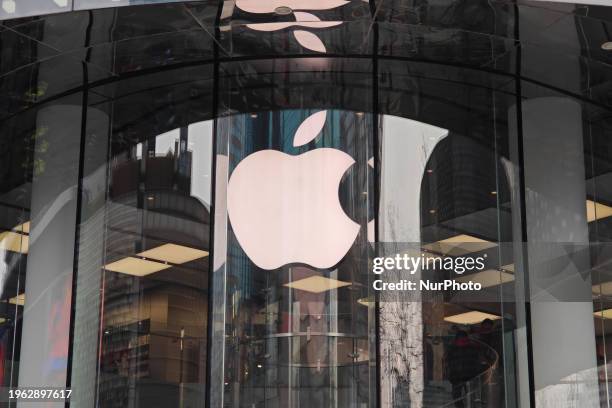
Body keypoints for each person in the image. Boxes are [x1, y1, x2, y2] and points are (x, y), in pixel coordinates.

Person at [446, 330, 484, 408]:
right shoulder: (472, 347)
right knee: (470, 396)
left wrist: (449, 374)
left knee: (457, 396)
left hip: (458, 376)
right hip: (468, 375)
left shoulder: (452, 348)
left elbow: (448, 363)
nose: (461, 339)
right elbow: (477, 362)